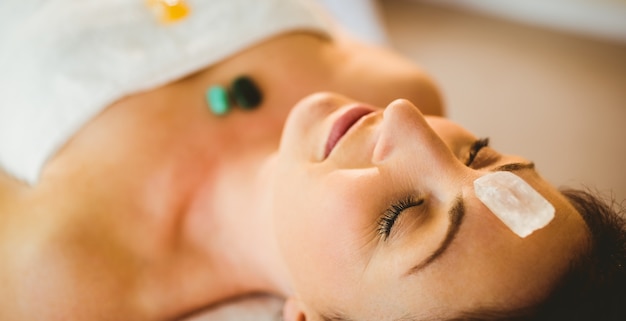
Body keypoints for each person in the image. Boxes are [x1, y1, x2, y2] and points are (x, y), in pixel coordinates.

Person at [0, 1, 623, 321]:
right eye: (480, 153)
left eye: (404, 215)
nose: (406, 120)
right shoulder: (404, 84)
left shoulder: (62, 273)